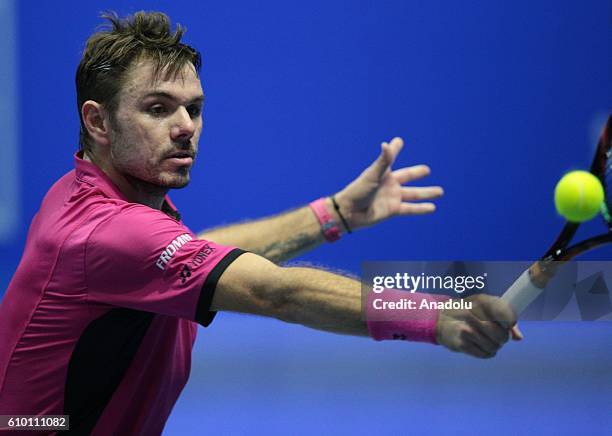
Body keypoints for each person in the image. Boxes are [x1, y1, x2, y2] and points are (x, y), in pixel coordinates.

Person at [0, 11, 520, 435]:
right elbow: (277, 293)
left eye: (194, 109)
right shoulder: (111, 235)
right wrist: (436, 318)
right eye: (158, 109)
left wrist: (334, 215)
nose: (186, 128)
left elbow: (199, 253)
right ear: (98, 121)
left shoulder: (81, 193)